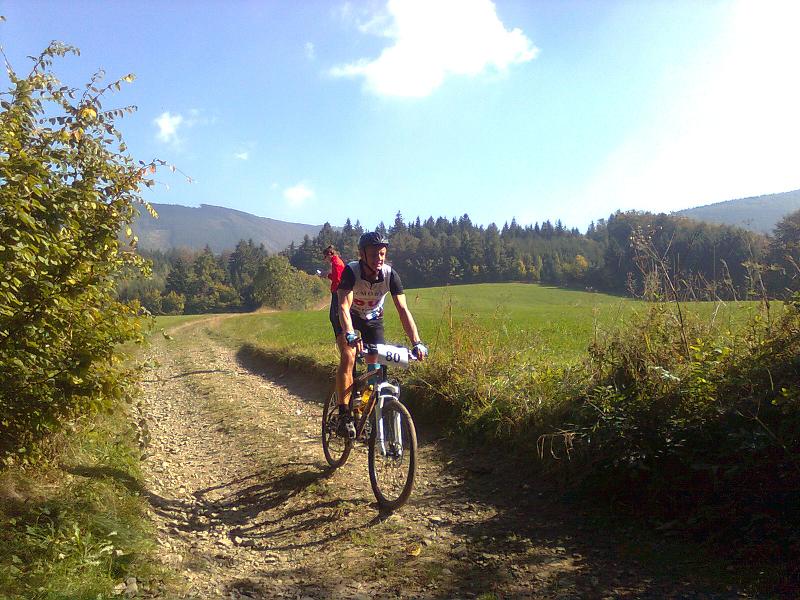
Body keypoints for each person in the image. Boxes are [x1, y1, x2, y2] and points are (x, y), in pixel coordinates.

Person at [333, 232, 428, 438]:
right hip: (346, 316)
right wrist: (349, 333)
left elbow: (403, 310)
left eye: (383, 254)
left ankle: (362, 409)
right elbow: (343, 305)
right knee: (349, 356)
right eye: (374, 254)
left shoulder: (390, 275)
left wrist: (417, 342)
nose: (379, 258)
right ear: (362, 254)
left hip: (372, 319)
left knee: (375, 364)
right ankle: (343, 415)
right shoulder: (351, 271)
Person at [323, 245, 346, 340]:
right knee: (334, 316)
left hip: (337, 292)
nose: (325, 259)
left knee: (335, 317)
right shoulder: (336, 262)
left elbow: (337, 279)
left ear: (329, 254)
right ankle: (341, 337)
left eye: (325, 257)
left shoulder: (336, 263)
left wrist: (327, 275)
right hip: (337, 291)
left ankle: (341, 337)